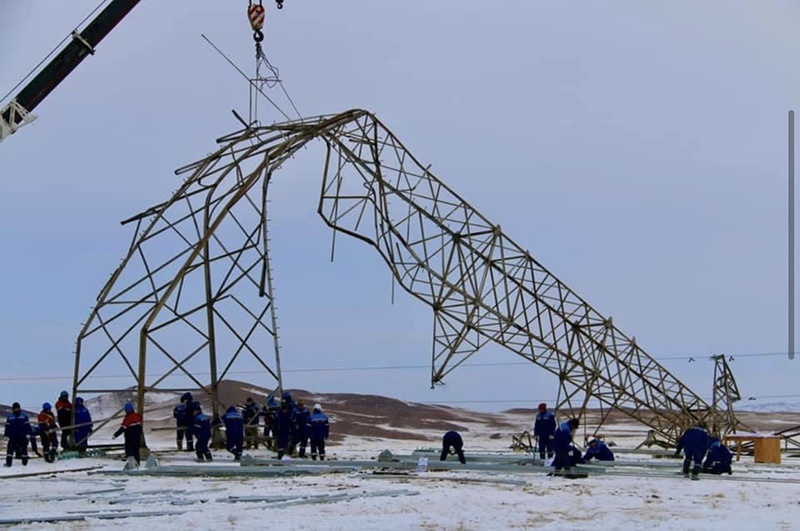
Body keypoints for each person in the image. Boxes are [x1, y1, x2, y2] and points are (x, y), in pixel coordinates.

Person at [113, 402, 143, 468]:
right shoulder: (138, 417)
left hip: (129, 439)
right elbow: (140, 427)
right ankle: (137, 464)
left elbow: (122, 428)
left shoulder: (128, 418)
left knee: (130, 453)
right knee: (136, 452)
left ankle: (132, 466)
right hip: (137, 438)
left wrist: (115, 435)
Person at [4, 402, 32, 467]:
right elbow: (7, 427)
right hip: (13, 436)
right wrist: (6, 435)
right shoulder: (10, 417)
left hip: (22, 435)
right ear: (13, 409)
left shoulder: (24, 416)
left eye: (17, 408)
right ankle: (8, 463)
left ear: (19, 408)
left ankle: (24, 462)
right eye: (15, 408)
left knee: (24, 448)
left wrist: (28, 433)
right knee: (10, 449)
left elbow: (27, 426)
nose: (16, 409)